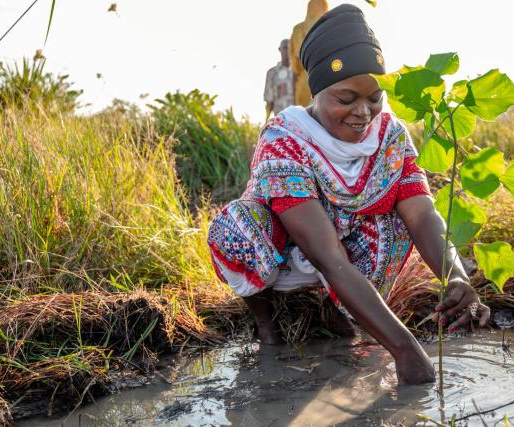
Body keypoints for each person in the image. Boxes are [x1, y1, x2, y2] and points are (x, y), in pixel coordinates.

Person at [208, 4, 490, 385]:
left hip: (348, 252)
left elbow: (423, 216)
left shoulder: (389, 136)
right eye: (346, 99)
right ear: (318, 90)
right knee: (235, 226)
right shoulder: (285, 139)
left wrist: (455, 276)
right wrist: (404, 349)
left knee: (397, 223)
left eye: (374, 97)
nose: (363, 112)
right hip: (287, 253)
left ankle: (342, 315)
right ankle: (266, 322)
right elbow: (326, 256)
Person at [289, 0, 329, 107]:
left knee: (303, 119)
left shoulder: (298, 29)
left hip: (304, 83)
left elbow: (294, 60)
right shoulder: (330, 28)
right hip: (327, 81)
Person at [264, 39, 294, 118]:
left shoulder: (299, 72)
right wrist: (266, 120)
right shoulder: (272, 73)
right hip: (281, 119)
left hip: (299, 119)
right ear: (280, 50)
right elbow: (269, 101)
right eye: (285, 48)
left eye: (290, 48)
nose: (288, 50)